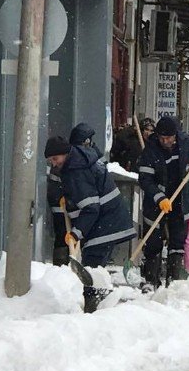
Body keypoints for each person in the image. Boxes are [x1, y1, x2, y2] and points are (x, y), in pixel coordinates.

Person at [44, 135, 137, 312]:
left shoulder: (76, 170)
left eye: (55, 159)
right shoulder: (78, 160)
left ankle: (96, 307)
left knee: (91, 267)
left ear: (65, 153)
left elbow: (91, 207)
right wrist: (70, 200)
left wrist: (76, 232)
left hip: (106, 223)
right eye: (51, 161)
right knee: (93, 267)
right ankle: (97, 303)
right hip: (108, 220)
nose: (54, 164)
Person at [138, 116, 189, 288]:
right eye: (162, 138)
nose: (165, 141)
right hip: (157, 202)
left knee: (178, 242)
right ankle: (151, 280)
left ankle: (173, 281)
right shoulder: (151, 149)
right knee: (153, 241)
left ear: (175, 135)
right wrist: (159, 197)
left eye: (168, 138)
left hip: (182, 199)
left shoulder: (187, 143)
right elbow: (145, 179)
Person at [47, 122, 103, 266]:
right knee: (63, 236)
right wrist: (60, 198)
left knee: (76, 237)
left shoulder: (81, 158)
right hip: (63, 206)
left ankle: (75, 264)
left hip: (79, 207)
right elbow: (56, 184)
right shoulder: (67, 161)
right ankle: (61, 266)